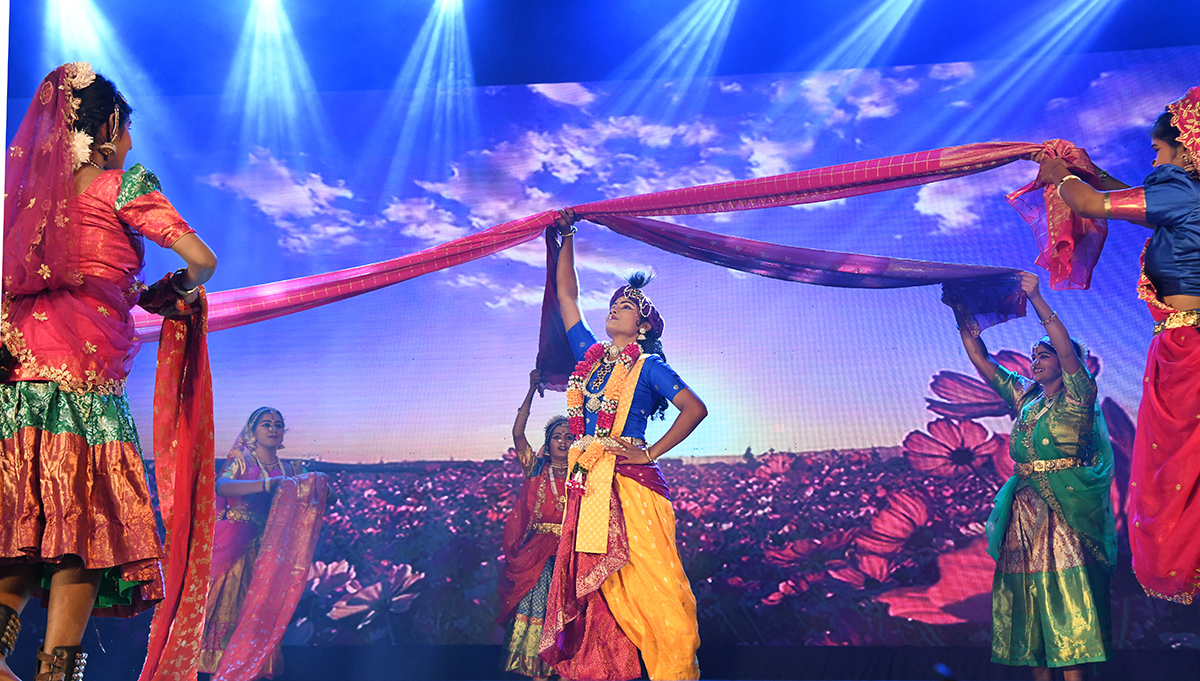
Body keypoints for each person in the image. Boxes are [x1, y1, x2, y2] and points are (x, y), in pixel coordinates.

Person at [0, 62, 217, 681]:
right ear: (110, 126)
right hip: (87, 392)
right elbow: (202, 261)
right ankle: (55, 671)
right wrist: (169, 289)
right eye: (126, 133)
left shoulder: (24, 205)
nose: (128, 146)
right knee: (85, 532)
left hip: (16, 392)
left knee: (26, 527)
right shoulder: (123, 184)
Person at [1036, 86, 1200, 604]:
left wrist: (1059, 177)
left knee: (1178, 470)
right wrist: (1080, 167)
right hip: (1182, 342)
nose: (1154, 158)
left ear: (1188, 147)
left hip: (1189, 346)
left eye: (1158, 148)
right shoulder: (1184, 196)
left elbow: (1090, 204)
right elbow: (1119, 195)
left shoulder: (1185, 192)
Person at [540, 208, 707, 681]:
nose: (615, 308)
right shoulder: (589, 358)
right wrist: (568, 235)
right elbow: (567, 296)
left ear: (645, 326)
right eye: (614, 302)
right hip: (590, 486)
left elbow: (695, 408)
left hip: (633, 486)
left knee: (661, 601)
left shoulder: (651, 366)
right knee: (607, 604)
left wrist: (649, 452)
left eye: (627, 306)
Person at [955, 272, 1115, 681]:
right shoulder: (1025, 399)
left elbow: (1064, 347)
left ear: (1064, 363)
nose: (1035, 361)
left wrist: (1038, 299)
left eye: (1044, 355)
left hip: (1064, 512)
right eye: (1033, 356)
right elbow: (981, 360)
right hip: (1024, 513)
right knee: (1028, 603)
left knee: (1065, 599)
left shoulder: (1080, 396)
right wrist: (961, 313)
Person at [199, 407, 305, 677]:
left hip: (269, 550)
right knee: (228, 607)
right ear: (252, 432)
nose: (273, 429)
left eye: (278, 425)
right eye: (266, 424)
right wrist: (267, 485)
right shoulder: (243, 460)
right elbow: (222, 486)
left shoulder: (288, 468)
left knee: (260, 617)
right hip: (235, 545)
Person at [497, 370, 573, 680]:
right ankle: (537, 669)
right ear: (548, 441)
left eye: (570, 437)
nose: (564, 442)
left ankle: (565, 666)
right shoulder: (535, 467)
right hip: (538, 555)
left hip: (571, 551)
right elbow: (518, 434)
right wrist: (531, 389)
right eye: (557, 437)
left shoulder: (583, 473)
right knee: (538, 605)